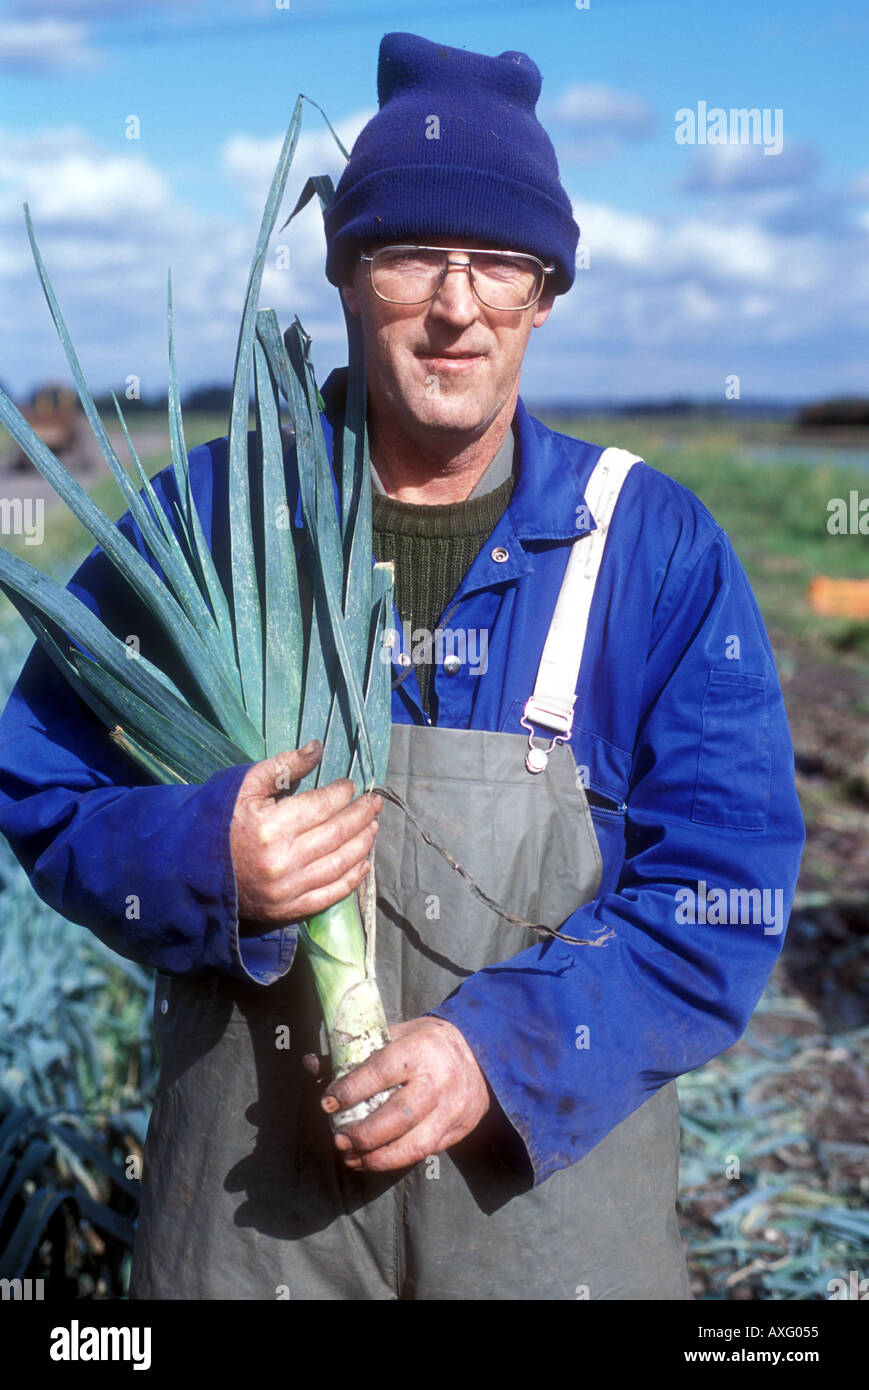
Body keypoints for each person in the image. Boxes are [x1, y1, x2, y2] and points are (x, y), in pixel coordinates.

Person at [0, 32, 804, 1300]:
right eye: (410, 254)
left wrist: (499, 1051)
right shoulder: (204, 523)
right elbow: (44, 788)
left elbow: (726, 883)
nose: (454, 302)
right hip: (248, 1221)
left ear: (546, 293)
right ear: (343, 274)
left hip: (539, 1205)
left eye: (499, 263)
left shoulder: (650, 547)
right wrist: (203, 858)